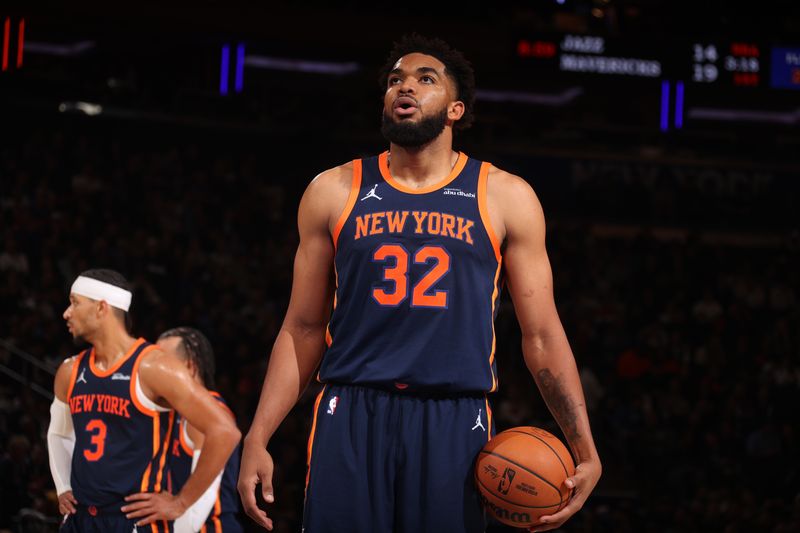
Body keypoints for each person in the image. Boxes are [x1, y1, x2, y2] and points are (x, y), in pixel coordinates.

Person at [237, 34, 601, 533]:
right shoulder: (333, 189)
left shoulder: (505, 196)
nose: (404, 87)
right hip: (351, 410)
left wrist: (584, 448)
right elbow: (301, 328)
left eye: (424, 79)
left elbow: (540, 335)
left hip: (454, 418)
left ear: (455, 109)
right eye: (395, 80)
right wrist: (258, 436)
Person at [47, 269, 241, 532]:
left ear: (101, 308)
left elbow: (225, 431)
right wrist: (63, 487)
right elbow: (58, 433)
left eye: (75, 302)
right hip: (81, 518)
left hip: (131, 520)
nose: (66, 313)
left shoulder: (155, 367)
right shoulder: (70, 370)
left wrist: (181, 502)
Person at [157, 327, 244, 533]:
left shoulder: (209, 414)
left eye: (163, 364)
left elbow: (199, 505)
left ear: (189, 367)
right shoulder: (171, 411)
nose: (155, 370)